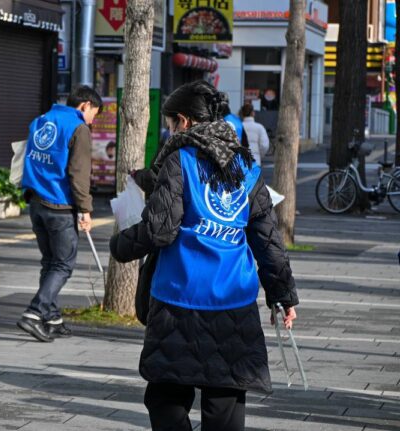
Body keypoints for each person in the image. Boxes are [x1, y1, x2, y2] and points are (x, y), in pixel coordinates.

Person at [109, 81, 299, 431]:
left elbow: (159, 229)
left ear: (183, 122)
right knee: (225, 402)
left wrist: (120, 245)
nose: (168, 131)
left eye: (168, 124)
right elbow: (267, 239)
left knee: (166, 396)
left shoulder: (179, 160)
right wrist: (283, 295)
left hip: (179, 298)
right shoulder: (248, 168)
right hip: (234, 300)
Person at [16, 85, 101, 342]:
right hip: (60, 205)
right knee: (63, 264)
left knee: (51, 262)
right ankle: (34, 312)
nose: (92, 120)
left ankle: (52, 318)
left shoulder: (40, 120)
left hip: (36, 202)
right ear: (85, 105)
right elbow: (79, 173)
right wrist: (85, 209)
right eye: (94, 114)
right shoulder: (78, 128)